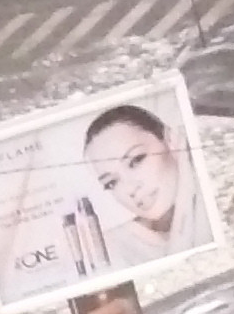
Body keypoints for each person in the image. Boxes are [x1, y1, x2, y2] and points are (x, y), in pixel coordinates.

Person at [81, 104, 189, 258]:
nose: (130, 188)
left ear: (170, 140)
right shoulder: (114, 248)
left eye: (136, 160)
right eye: (111, 182)